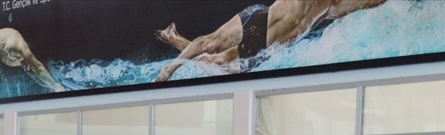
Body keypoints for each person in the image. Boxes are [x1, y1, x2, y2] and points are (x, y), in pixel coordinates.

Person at [154, 0, 388, 82]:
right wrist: (169, 72)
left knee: (218, 65)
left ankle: (175, 39)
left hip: (269, 47)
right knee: (211, 44)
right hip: (259, 21)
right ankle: (169, 68)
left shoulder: (332, 5)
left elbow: (369, 3)